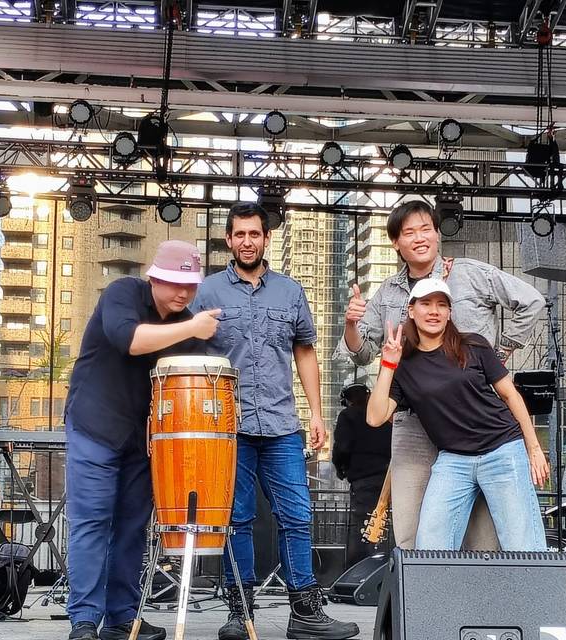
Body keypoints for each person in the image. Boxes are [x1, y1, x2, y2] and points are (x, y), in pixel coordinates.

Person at [191, 203, 358, 640]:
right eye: (239, 234)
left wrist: (317, 413)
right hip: (229, 428)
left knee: (298, 516)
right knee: (238, 518)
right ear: (228, 240)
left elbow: (305, 351)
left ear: (266, 239)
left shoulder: (290, 292)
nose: (248, 241)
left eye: (255, 234)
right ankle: (239, 613)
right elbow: (190, 354)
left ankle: (305, 613)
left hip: (283, 424)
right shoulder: (207, 292)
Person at [338, 200, 545, 550]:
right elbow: (358, 354)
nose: (420, 238)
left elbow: (532, 301)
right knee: (415, 531)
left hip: (477, 419)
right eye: (409, 232)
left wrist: (501, 351)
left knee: (485, 537)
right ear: (396, 243)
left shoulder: (471, 274)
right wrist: (351, 324)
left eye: (426, 229)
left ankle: (478, 602)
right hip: (415, 417)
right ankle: (427, 600)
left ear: (437, 233)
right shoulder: (388, 292)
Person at [63, 241, 221, 640]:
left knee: (132, 528)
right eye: (172, 283)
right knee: (92, 522)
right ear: (153, 278)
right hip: (94, 426)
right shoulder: (124, 293)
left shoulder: (187, 325)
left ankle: (122, 618)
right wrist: (192, 326)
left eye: (189, 284)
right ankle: (84, 619)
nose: (182, 293)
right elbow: (128, 339)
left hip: (142, 439)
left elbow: (202, 372)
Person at [366, 278, 550, 551]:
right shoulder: (404, 365)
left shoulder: (473, 345)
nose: (434, 311)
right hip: (453, 460)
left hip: (502, 449)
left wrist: (533, 448)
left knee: (523, 545)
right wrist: (388, 365)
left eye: (442, 305)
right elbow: (375, 417)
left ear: (450, 313)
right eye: (426, 304)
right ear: (411, 311)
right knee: (429, 546)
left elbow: (510, 395)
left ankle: (536, 594)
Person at [331, 382, 392, 568]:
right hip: (388, 478)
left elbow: (343, 447)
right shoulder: (382, 415)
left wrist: (340, 468)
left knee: (361, 529)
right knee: (385, 527)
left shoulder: (347, 416)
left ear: (347, 400)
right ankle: (384, 569)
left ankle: (357, 574)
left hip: (363, 479)